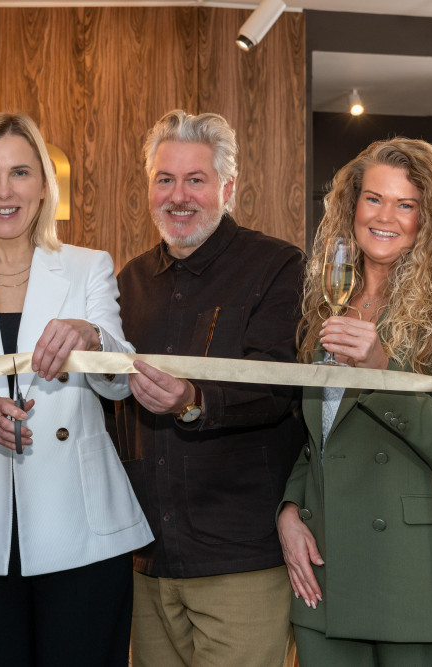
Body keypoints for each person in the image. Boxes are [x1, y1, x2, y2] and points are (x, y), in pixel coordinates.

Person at [0, 111, 153, 667]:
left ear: (44, 186)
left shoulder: (88, 267)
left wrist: (91, 336)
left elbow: (120, 380)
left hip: (82, 527)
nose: (4, 190)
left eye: (20, 172)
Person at [114, 109, 305, 667]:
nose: (179, 196)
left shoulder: (277, 266)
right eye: (164, 179)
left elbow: (277, 385)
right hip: (146, 562)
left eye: (195, 180)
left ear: (228, 187)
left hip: (239, 564)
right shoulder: (127, 281)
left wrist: (192, 401)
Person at [277, 138, 432, 665]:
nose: (385, 217)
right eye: (373, 199)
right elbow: (321, 433)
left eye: (405, 204)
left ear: (428, 218)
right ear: (351, 206)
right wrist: (291, 508)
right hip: (326, 575)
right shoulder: (327, 301)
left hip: (415, 578)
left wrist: (383, 370)